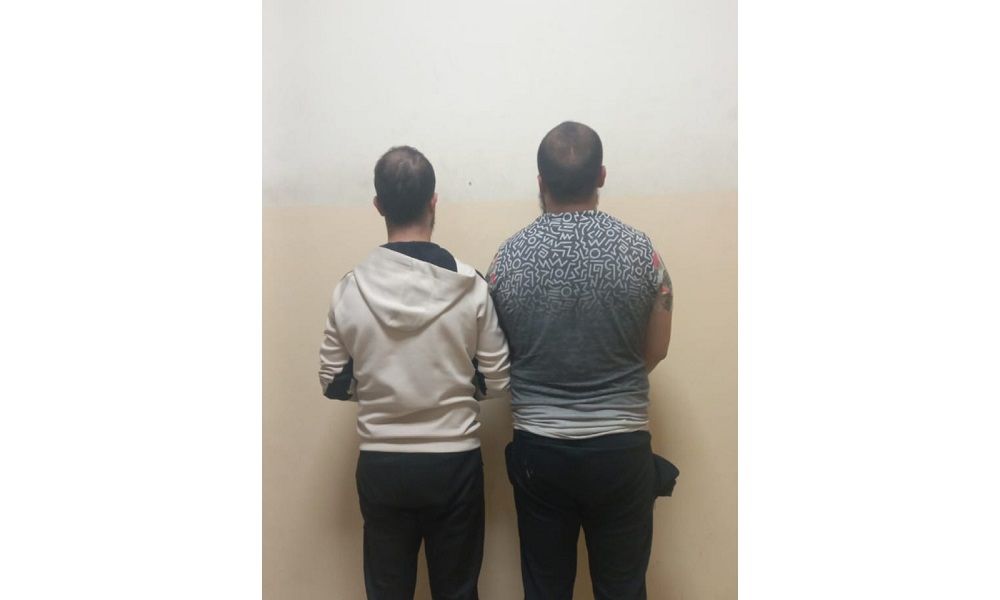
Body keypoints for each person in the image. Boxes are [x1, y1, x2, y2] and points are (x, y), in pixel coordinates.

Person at [487, 122, 678, 600]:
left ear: (540, 182)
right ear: (602, 176)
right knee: (623, 589)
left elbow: (497, 357)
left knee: (546, 590)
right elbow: (657, 349)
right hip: (621, 449)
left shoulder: (506, 260)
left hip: (539, 452)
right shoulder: (643, 254)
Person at [318, 145, 511, 600]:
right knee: (457, 591)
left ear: (378, 205)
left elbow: (333, 380)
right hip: (454, 460)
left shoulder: (350, 288)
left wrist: (382, 388)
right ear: (433, 200)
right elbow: (498, 378)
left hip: (382, 462)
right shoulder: (470, 285)